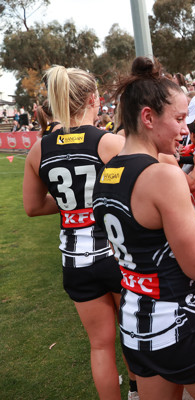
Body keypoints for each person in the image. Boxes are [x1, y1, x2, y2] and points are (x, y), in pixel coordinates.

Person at [92, 57, 195, 400]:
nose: (183, 130)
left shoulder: (108, 171)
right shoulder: (163, 174)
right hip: (182, 324)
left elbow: (139, 245)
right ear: (148, 117)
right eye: (178, 119)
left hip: (135, 327)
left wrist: (187, 231)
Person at [22, 65, 130, 400]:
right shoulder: (111, 142)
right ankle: (138, 393)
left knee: (100, 346)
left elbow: (33, 206)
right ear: (94, 99)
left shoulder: (39, 148)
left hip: (75, 261)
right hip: (117, 256)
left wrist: (76, 207)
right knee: (133, 338)